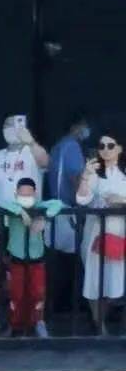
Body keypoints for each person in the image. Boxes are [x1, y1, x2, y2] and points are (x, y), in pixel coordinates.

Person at [0, 177, 65, 338]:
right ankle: (15, 325)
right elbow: (3, 203)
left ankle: (38, 322)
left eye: (29, 193)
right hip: (17, 258)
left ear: (35, 193)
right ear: (16, 193)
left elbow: (58, 204)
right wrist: (21, 212)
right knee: (16, 293)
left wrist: (43, 217)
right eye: (22, 193)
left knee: (37, 293)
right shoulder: (12, 207)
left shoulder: (39, 206)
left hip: (37, 257)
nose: (25, 196)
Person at [76, 129, 126, 332]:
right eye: (102, 146)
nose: (105, 150)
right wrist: (86, 176)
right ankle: (100, 325)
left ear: (120, 149)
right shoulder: (94, 172)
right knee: (94, 281)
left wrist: (121, 201)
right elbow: (82, 199)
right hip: (96, 232)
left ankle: (102, 319)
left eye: (110, 146)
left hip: (120, 231)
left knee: (115, 284)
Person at [45, 110, 89, 312]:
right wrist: (85, 200)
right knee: (74, 261)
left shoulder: (57, 146)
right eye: (83, 126)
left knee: (58, 261)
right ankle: (72, 306)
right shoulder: (72, 147)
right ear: (75, 127)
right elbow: (75, 177)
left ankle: (55, 305)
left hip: (56, 209)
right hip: (68, 210)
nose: (86, 131)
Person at [0, 114, 50, 212]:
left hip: (31, 217)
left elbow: (46, 163)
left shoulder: (34, 153)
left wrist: (31, 142)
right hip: (3, 218)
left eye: (14, 125)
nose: (10, 129)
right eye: (7, 126)